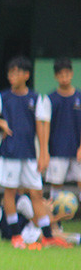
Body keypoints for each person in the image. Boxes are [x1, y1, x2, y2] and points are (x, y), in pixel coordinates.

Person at [0, 56, 66, 247]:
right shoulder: (3, 97)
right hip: (9, 154)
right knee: (10, 192)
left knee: (36, 194)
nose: (12, 76)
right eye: (10, 72)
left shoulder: (36, 98)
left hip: (30, 154)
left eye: (16, 72)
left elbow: (41, 126)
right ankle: (16, 236)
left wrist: (44, 153)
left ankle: (48, 236)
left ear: (26, 75)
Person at [45, 58, 81, 198]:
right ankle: (55, 218)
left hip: (77, 149)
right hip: (57, 149)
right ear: (56, 76)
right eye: (60, 74)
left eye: (66, 74)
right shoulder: (50, 99)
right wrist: (44, 151)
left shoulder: (79, 97)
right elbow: (45, 126)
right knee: (56, 183)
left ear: (71, 74)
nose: (64, 78)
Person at [0, 189, 79, 248]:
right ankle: (78, 239)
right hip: (16, 232)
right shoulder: (23, 200)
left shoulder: (18, 198)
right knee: (51, 234)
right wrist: (56, 216)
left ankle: (77, 238)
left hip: (20, 228)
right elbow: (37, 222)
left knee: (55, 231)